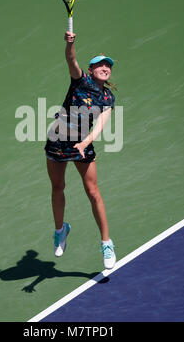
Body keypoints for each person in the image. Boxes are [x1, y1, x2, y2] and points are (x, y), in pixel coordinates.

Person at [44, 30, 117, 269]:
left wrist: (85, 143)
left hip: (81, 144)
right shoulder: (80, 80)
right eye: (100, 65)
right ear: (92, 69)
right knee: (58, 187)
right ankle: (60, 230)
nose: (105, 67)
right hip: (57, 139)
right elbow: (71, 60)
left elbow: (101, 126)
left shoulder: (107, 98)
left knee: (93, 192)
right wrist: (70, 44)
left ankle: (106, 243)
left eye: (108, 66)